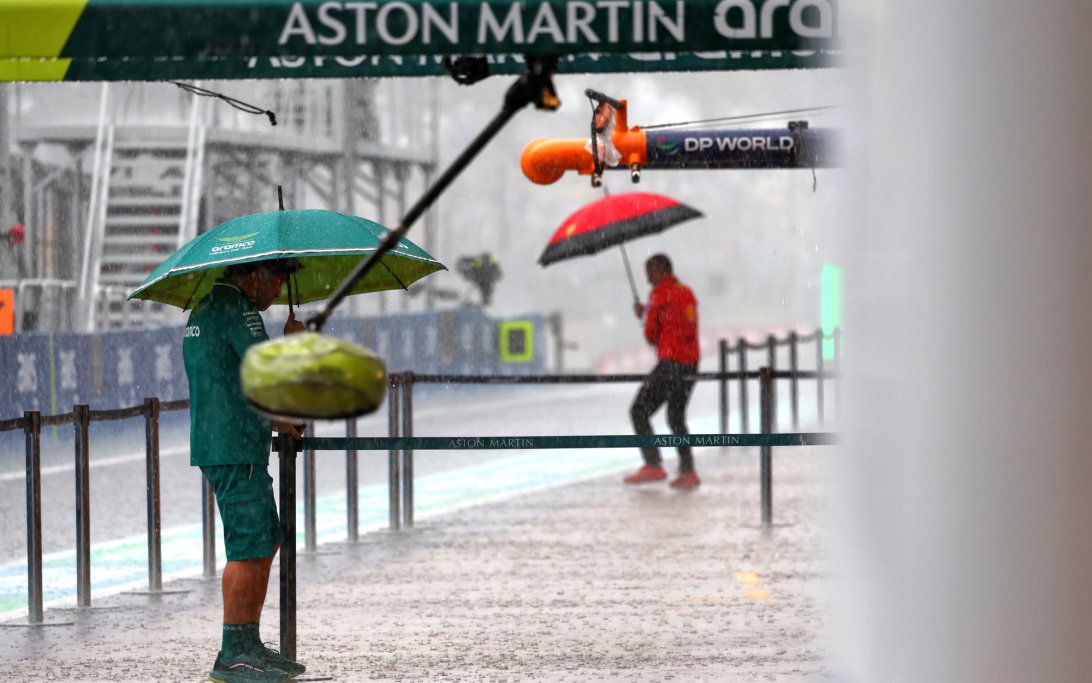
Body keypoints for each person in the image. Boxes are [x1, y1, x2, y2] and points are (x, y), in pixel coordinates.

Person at [183, 259, 307, 683]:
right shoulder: (238, 309)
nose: (276, 293)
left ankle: (249, 643)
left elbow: (229, 386)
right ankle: (234, 651)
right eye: (276, 281)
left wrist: (276, 421)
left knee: (263, 538)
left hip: (227, 439)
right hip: (235, 447)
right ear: (253, 274)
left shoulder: (207, 307)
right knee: (249, 545)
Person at [625, 254, 701, 489]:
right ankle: (688, 471)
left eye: (649, 272)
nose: (647, 278)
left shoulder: (658, 295)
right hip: (690, 363)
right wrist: (649, 310)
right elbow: (680, 319)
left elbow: (651, 335)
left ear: (660, 270)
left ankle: (653, 464)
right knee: (676, 417)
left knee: (639, 410)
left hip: (670, 363)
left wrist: (644, 315)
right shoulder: (686, 292)